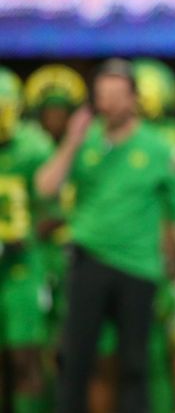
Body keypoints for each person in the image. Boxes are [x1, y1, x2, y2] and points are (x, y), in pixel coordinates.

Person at [35, 59, 175, 413]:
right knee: (75, 361)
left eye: (117, 94)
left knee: (134, 365)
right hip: (88, 262)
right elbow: (46, 189)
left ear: (134, 99)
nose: (109, 102)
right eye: (102, 95)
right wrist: (71, 141)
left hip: (138, 267)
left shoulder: (157, 148)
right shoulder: (84, 140)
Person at [0, 66, 54, 413]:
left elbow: (56, 210)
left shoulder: (34, 145)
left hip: (23, 265)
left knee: (25, 357)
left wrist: (24, 236)